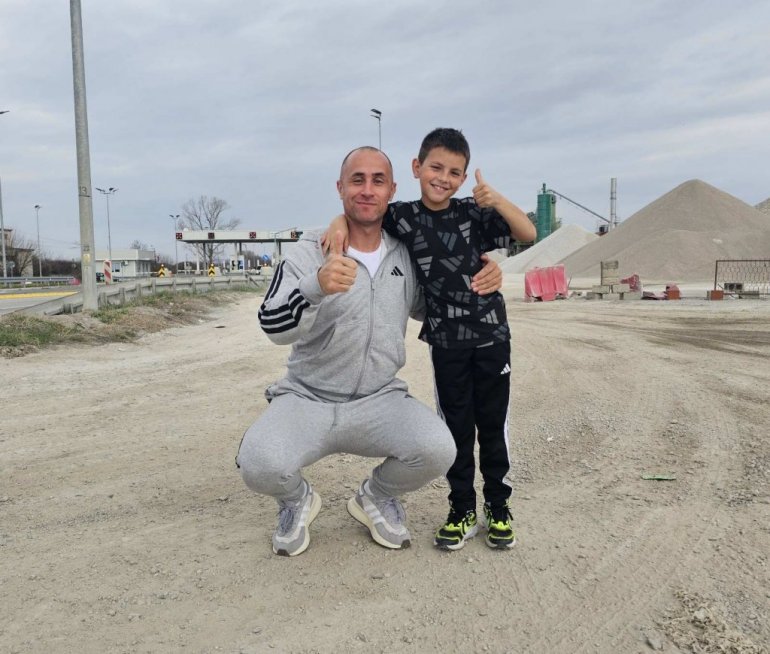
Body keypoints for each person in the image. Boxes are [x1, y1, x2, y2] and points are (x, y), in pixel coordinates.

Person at [236, 146, 504, 557]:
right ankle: (296, 501)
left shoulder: (407, 251)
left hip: (380, 400)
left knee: (438, 449)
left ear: (392, 190)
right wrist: (316, 286)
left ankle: (375, 496)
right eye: (357, 179)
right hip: (308, 397)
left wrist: (484, 273)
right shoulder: (310, 250)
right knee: (258, 463)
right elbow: (272, 325)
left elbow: (435, 301)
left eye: (378, 181)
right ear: (340, 187)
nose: (367, 189)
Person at [324, 128, 536, 551]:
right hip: (447, 342)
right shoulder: (403, 216)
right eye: (436, 167)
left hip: (492, 335)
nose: (444, 178)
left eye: (455, 172)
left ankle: (498, 506)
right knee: (455, 428)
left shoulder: (474, 213)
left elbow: (527, 233)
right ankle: (462, 509)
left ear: (463, 179)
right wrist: (335, 223)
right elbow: (361, 215)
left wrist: (495, 199)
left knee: (492, 426)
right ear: (417, 167)